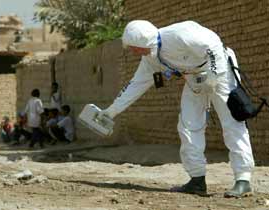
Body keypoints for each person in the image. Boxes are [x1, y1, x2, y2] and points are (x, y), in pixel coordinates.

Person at [98, 20, 254, 198]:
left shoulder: (179, 34)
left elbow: (213, 45)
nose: (132, 51)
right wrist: (111, 111)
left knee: (232, 122)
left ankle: (243, 179)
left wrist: (214, 76)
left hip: (220, 72)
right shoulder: (150, 59)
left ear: (144, 43)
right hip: (194, 79)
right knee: (188, 125)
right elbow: (135, 85)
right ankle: (197, 180)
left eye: (133, 47)